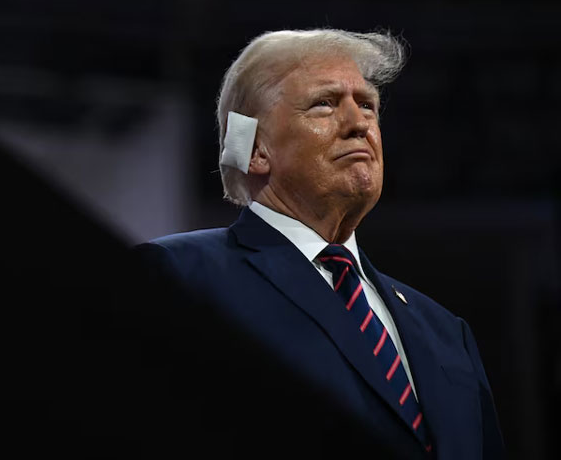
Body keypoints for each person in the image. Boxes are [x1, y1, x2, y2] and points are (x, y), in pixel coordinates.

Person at [134, 29, 505, 459]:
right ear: (255, 151)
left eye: (367, 105)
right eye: (325, 104)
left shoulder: (447, 332)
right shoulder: (180, 277)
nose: (359, 124)